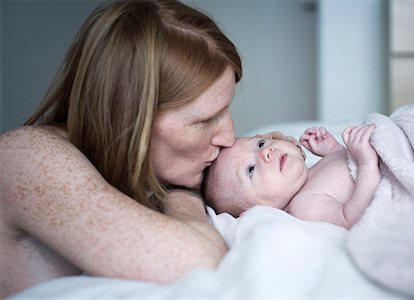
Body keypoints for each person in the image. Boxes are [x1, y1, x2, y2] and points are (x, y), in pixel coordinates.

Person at [0, 0, 259, 297]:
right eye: (205, 120)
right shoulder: (26, 156)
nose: (229, 135)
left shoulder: (134, 173)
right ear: (130, 117)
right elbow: (195, 261)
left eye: (225, 110)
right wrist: (183, 194)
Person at [203, 125, 381, 229]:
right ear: (255, 211)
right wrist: (367, 164)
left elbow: (345, 170)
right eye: (250, 169)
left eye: (260, 144)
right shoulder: (304, 206)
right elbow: (351, 218)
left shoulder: (310, 173)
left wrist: (334, 150)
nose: (266, 151)